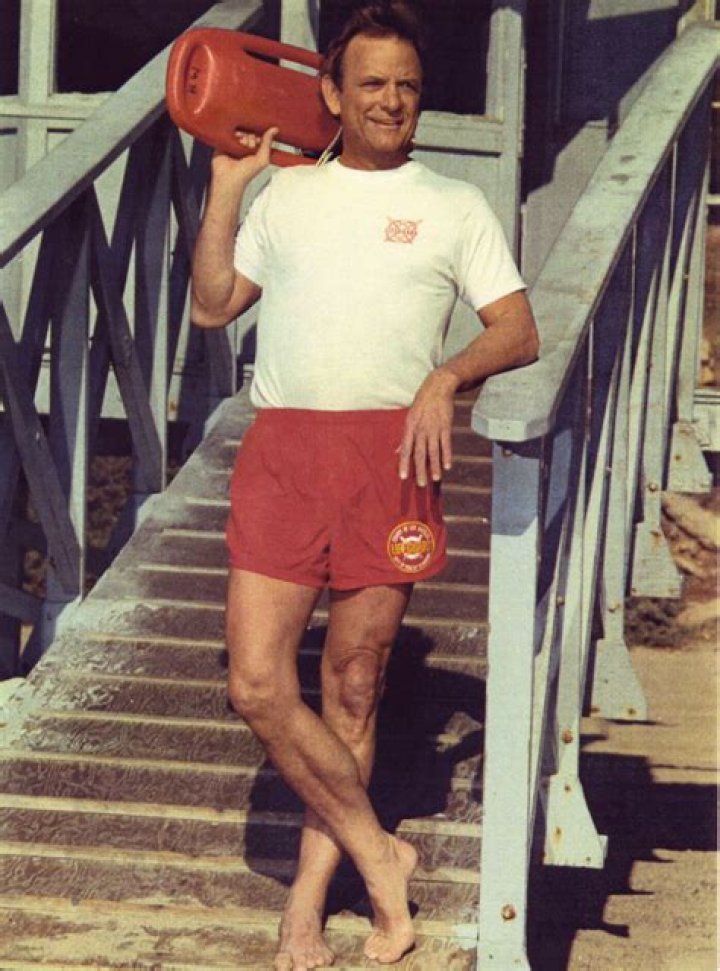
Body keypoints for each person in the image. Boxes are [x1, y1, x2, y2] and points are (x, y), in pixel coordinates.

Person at [190, 3, 539, 968]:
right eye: (372, 83)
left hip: (391, 458)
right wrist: (227, 191)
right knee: (257, 682)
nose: (391, 101)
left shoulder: (453, 204)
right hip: (286, 451)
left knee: (354, 682)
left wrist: (445, 377)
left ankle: (307, 904)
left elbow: (518, 328)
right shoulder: (287, 195)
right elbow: (212, 306)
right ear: (333, 96)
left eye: (408, 86)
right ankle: (379, 850)